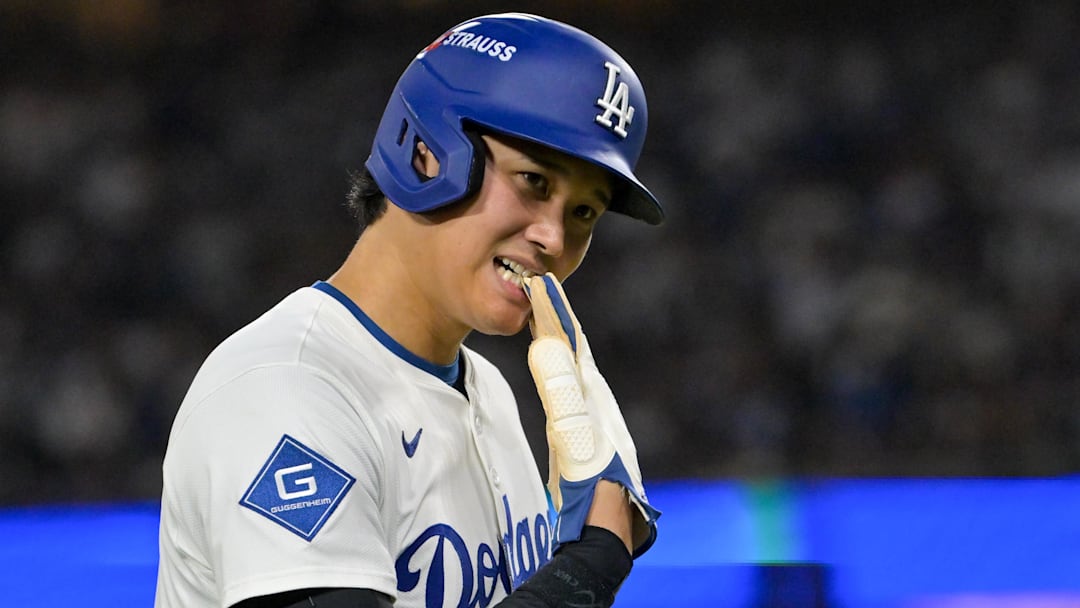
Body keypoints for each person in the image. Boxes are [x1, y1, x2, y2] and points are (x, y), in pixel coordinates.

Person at [155, 12, 663, 608]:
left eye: (584, 213)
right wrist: (592, 562)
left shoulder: (492, 394)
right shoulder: (284, 387)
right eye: (533, 181)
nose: (554, 237)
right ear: (426, 152)